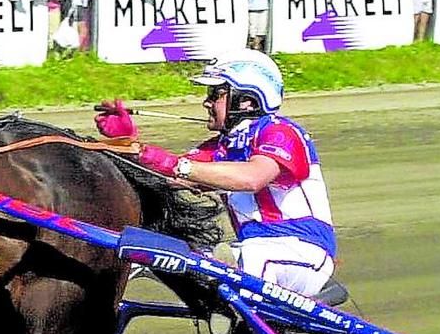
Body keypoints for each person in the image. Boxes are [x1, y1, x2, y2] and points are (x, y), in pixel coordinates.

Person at [96, 51, 336, 296]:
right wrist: (128, 143)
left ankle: (248, 317)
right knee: (182, 252)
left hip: (306, 254)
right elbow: (165, 179)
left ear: (247, 100)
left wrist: (179, 165)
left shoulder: (282, 133)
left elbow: (252, 178)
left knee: (254, 255)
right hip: (248, 250)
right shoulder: (221, 148)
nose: (206, 102)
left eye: (215, 94)